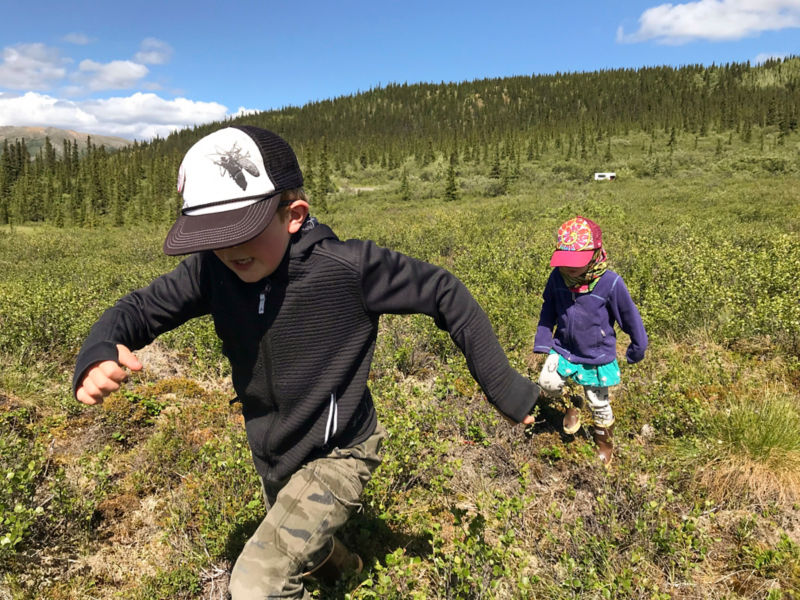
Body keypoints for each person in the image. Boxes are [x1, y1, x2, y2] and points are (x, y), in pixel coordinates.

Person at [72, 125, 540, 599]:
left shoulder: (347, 268)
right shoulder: (212, 270)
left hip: (341, 450)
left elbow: (444, 292)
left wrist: (503, 385)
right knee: (304, 546)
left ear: (293, 215)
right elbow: (136, 310)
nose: (229, 250)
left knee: (258, 582)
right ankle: (350, 566)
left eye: (242, 231)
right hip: (274, 454)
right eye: (211, 235)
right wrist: (98, 350)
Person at [532, 216, 647, 465]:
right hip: (563, 348)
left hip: (595, 355)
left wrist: (638, 346)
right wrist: (543, 339)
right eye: (566, 262)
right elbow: (548, 309)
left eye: (577, 263)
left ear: (595, 254)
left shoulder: (610, 283)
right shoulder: (557, 278)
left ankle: (604, 443)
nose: (570, 269)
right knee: (547, 382)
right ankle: (573, 401)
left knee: (599, 404)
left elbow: (629, 317)